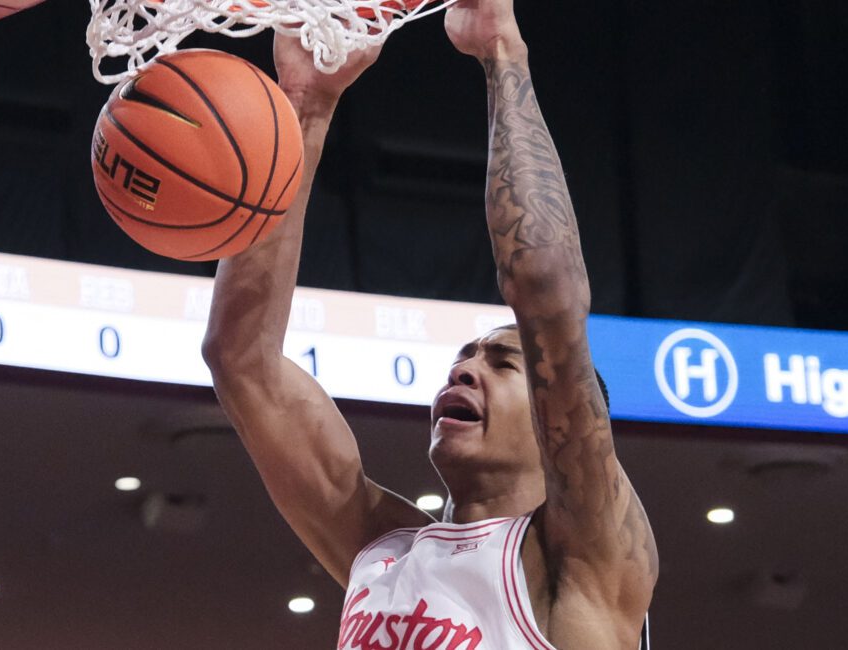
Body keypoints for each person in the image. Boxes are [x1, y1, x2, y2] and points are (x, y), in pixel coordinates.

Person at [201, 0, 658, 647]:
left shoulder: (584, 551)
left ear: (565, 421)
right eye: (465, 359)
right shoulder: (382, 546)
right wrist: (305, 108)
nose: (465, 368)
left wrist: (503, 56)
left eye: (503, 363)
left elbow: (545, 285)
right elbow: (239, 360)